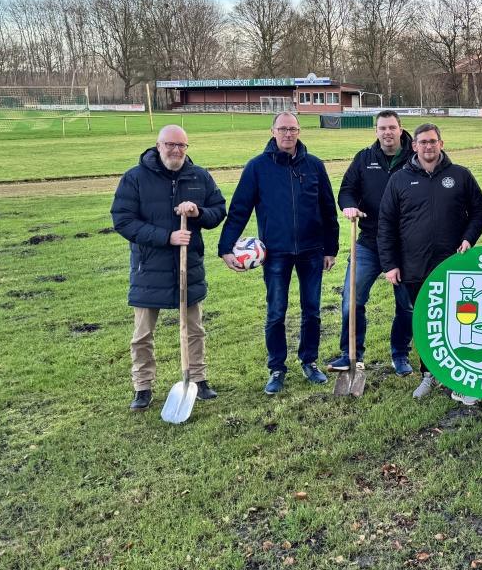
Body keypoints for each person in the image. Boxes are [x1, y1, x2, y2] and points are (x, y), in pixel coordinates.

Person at [218, 112, 339, 395]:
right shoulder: (257, 167)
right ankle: (277, 368)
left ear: (299, 131)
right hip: (275, 253)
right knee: (276, 312)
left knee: (312, 311)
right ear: (273, 131)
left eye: (293, 129)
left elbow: (327, 210)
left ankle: (309, 361)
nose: (288, 134)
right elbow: (239, 210)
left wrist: (330, 248)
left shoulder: (314, 166)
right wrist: (225, 248)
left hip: (311, 251)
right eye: (283, 129)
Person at [111, 125, 226, 410]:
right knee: (143, 334)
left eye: (182, 146)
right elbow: (123, 220)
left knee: (194, 329)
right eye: (170, 145)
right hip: (149, 269)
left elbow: (218, 210)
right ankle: (143, 386)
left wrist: (198, 212)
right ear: (158, 145)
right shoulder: (135, 178)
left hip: (190, 268)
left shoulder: (199, 177)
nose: (176, 150)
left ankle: (197, 379)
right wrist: (167, 237)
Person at [376, 123, 482, 403]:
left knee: (457, 321)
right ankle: (430, 374)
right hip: (414, 267)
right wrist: (390, 264)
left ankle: (457, 375)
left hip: (454, 266)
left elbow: (479, 210)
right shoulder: (399, 180)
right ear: (413, 146)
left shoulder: (460, 175)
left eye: (433, 141)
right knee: (426, 323)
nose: (428, 146)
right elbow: (386, 225)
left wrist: (469, 238)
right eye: (422, 142)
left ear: (442, 143)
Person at [328, 110, 415, 375]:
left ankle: (400, 354)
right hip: (369, 242)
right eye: (382, 128)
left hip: (406, 247)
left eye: (391, 127)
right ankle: (351, 353)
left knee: (407, 305)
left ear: (400, 129)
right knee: (351, 300)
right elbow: (346, 191)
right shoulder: (364, 158)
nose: (387, 133)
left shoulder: (416, 158)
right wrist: (350, 207)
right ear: (376, 131)